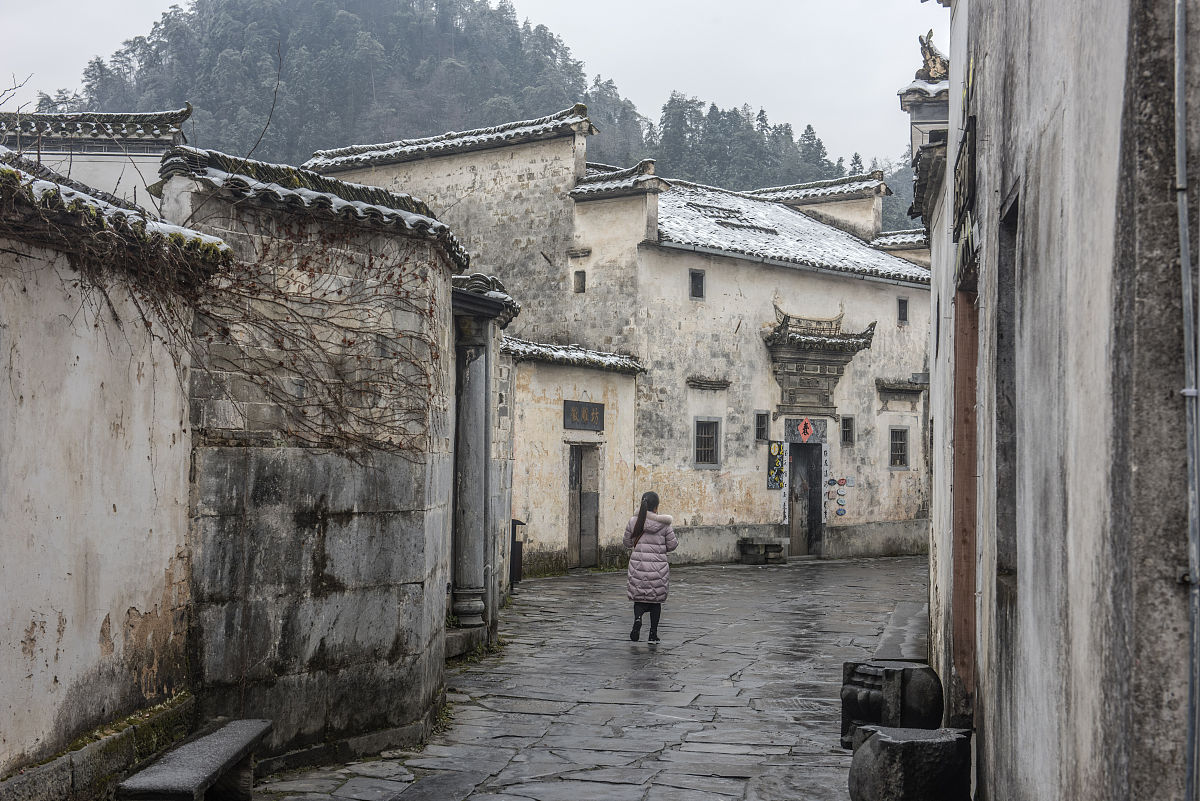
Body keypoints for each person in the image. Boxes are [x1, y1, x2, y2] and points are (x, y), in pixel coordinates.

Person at [624, 491, 678, 643]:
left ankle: (638, 619)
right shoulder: (664, 524)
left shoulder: (633, 521)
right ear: (656, 507)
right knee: (655, 602)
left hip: (638, 566)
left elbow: (627, 543)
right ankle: (653, 633)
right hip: (658, 568)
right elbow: (672, 545)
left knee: (639, 599)